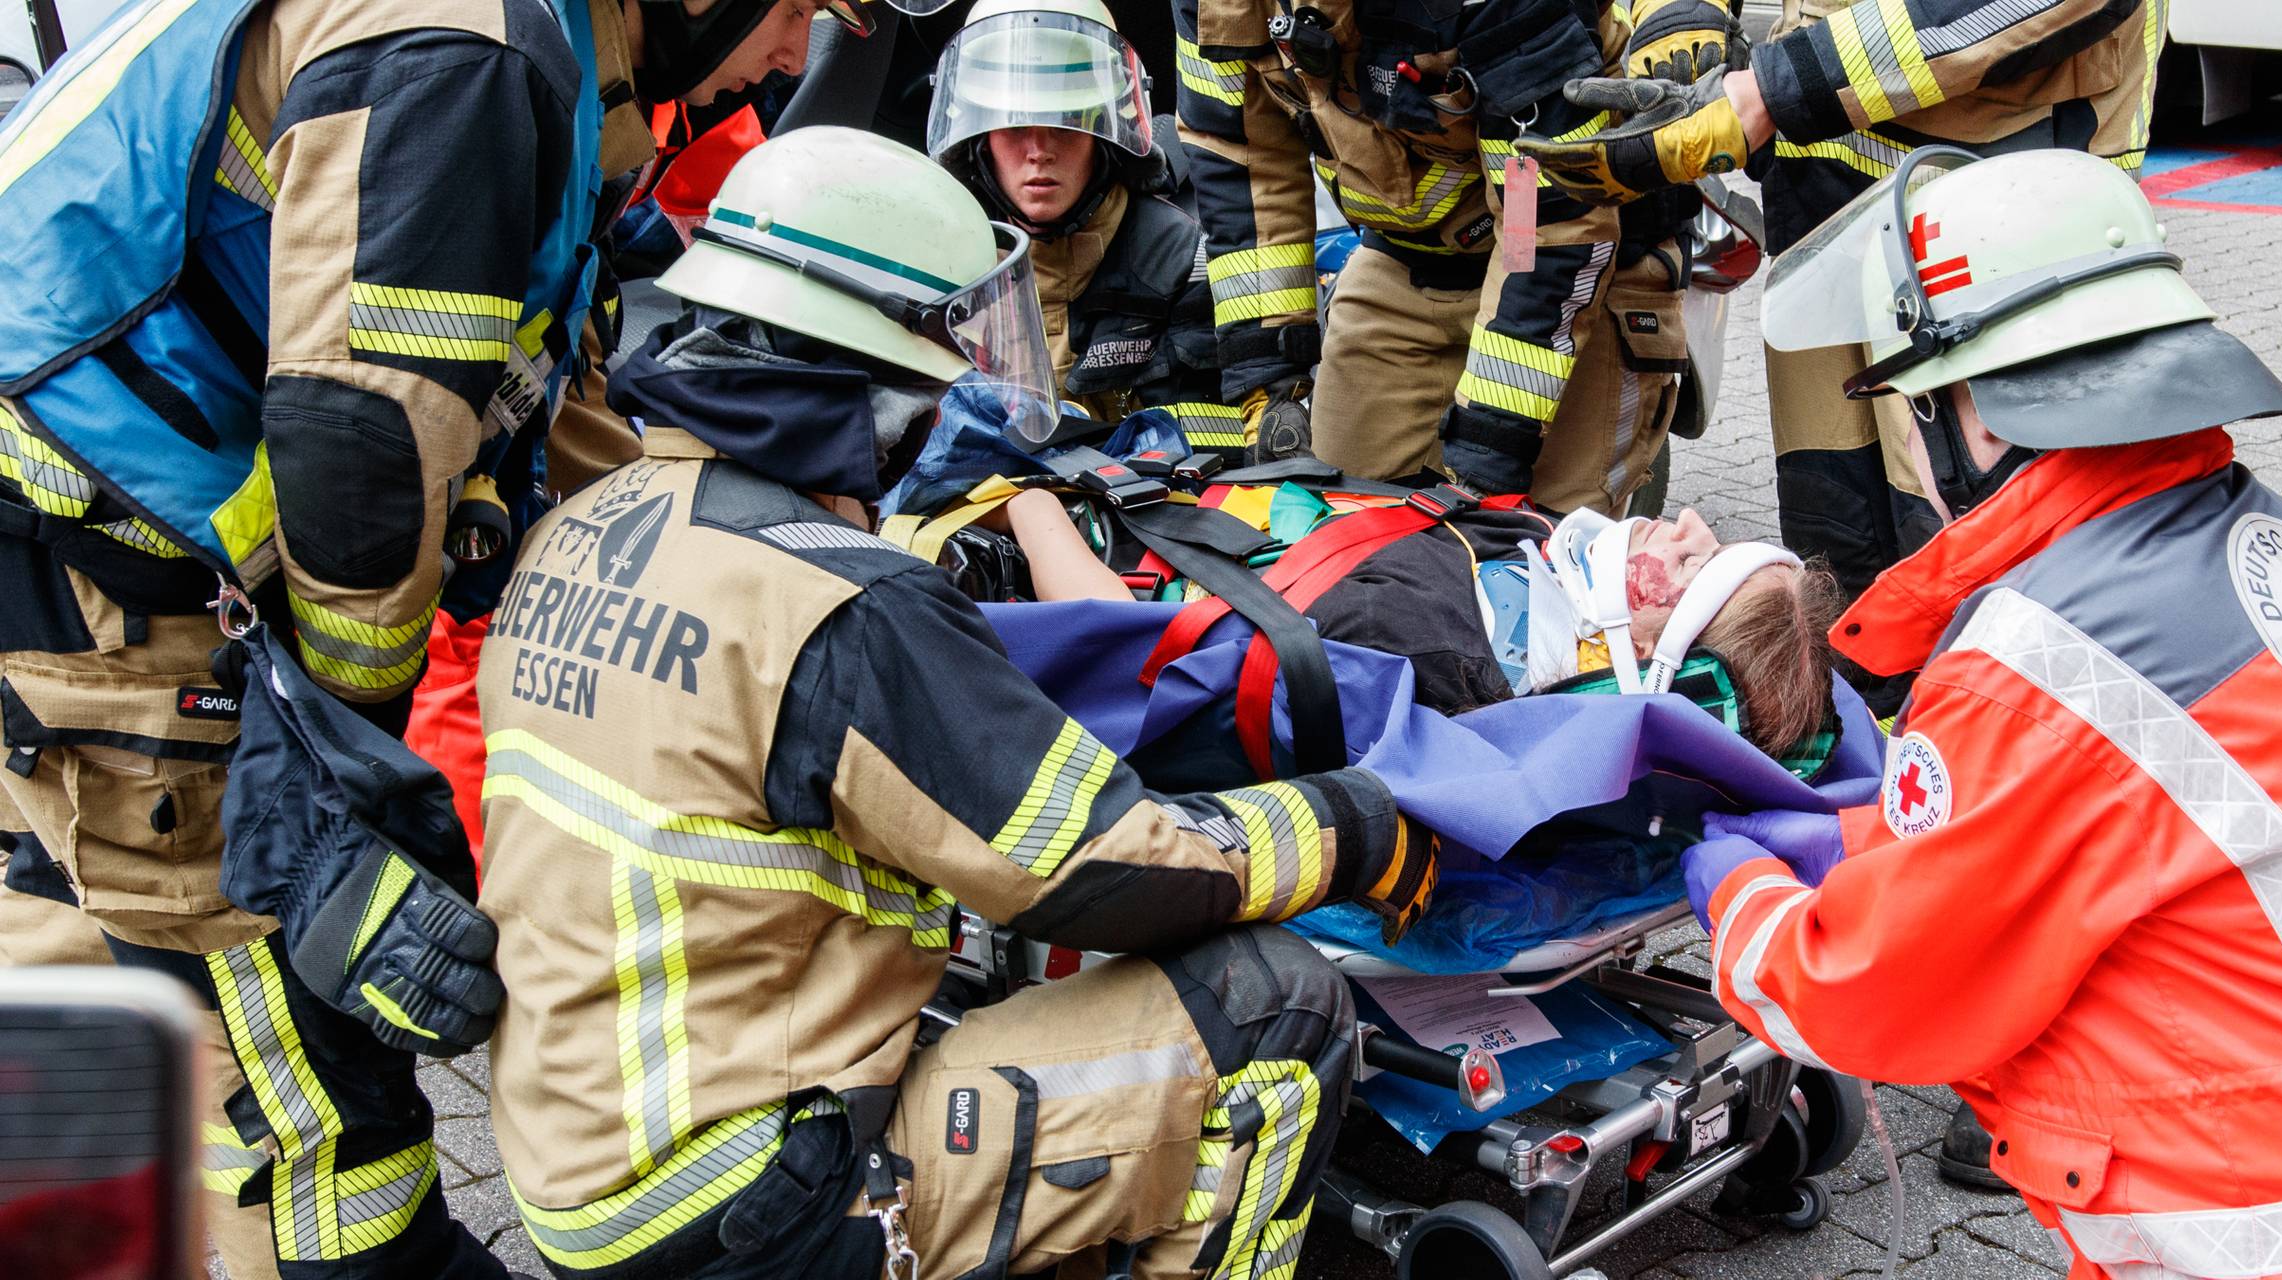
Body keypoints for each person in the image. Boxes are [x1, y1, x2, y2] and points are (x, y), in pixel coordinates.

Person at [479, 126, 1438, 1279]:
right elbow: (1097, 868)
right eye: (941, 354)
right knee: (1275, 1013)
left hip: (579, 1155)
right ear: (860, 365)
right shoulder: (843, 602)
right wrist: (1349, 825)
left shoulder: (586, 520)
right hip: (743, 1197)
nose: (951, 396)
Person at [0, 1, 859, 1275]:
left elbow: (519, 370)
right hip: (121, 586)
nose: (795, 54)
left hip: (64, 547)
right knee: (299, 1073)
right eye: (795, 7)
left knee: (73, 960)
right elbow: (362, 452)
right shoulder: (468, 57)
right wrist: (349, 770)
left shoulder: (532, 48)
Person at [1682, 149, 2282, 1276]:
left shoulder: (2031, 659)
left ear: (1970, 413)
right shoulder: (2252, 533)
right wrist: (1869, 840)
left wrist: (1744, 900)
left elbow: (1873, 990)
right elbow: (2133, 819)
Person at [1516, 0, 2167, 598]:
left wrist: (1772, 88)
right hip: (1826, 200)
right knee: (1836, 544)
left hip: (2001, 207)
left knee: (1983, 550)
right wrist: (1682, 15)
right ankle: (1868, 718)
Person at [1172, 0, 1727, 513]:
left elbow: (1542, 224)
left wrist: (1489, 447)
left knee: (1538, 559)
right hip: (1401, 261)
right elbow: (1243, 162)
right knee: (1334, 531)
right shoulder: (1222, 7)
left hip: (1577, 271)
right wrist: (1271, 386)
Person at [983, 487, 1845, 756]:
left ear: (1650, 647)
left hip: (1120, 557)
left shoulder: (1424, 650)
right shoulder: (1530, 565)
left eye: (1693, 564)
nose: (1690, 523)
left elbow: (1122, 644)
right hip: (1206, 515)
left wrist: (1031, 504)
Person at [930, 0, 1248, 450]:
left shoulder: (1182, 257)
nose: (1039, 150)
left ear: (1104, 131)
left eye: (1065, 123)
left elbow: (1219, 444)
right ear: (978, 140)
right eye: (1015, 126)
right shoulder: (943, 264)